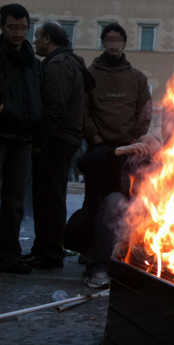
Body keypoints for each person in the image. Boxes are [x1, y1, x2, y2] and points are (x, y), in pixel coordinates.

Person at [76, 22, 155, 286]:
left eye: (117, 40)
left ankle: (132, 253)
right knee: (95, 203)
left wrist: (135, 141)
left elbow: (145, 110)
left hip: (129, 148)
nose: (113, 44)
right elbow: (83, 110)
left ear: (123, 43)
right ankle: (92, 253)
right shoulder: (90, 74)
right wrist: (97, 139)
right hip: (101, 149)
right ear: (103, 42)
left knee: (134, 202)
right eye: (108, 39)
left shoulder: (137, 77)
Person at [24, 21, 92, 269]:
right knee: (51, 196)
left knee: (47, 198)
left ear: (49, 39)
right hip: (65, 138)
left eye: (38, 37)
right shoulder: (71, 61)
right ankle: (46, 250)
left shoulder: (57, 66)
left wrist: (39, 143)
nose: (34, 41)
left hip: (55, 139)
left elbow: (53, 109)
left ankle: (48, 254)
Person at [0, 4, 44, 275]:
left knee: (15, 200)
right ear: (2, 27)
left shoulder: (32, 62)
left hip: (24, 137)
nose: (17, 32)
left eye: (22, 27)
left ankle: (8, 255)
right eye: (11, 27)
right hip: (1, 134)